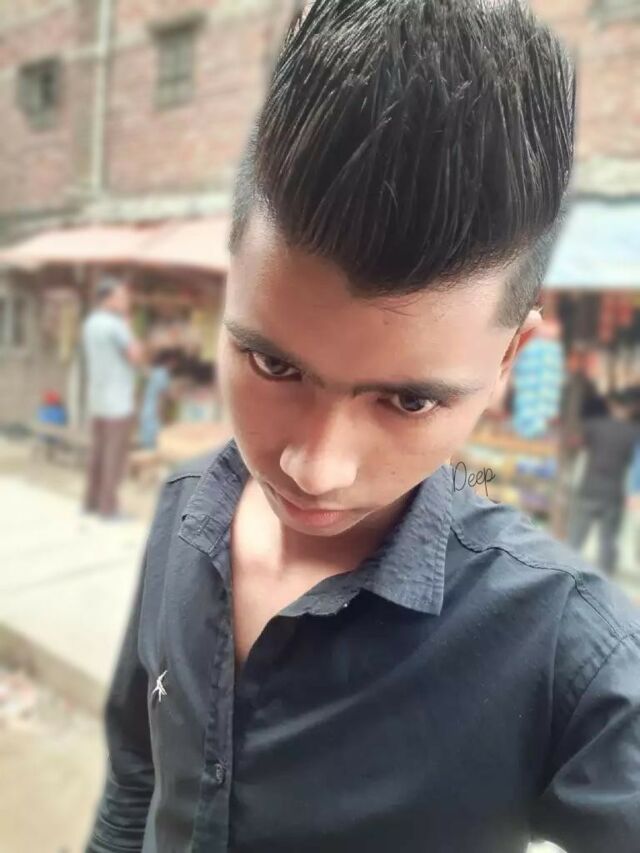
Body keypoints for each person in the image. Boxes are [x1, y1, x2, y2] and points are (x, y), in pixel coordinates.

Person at [87, 3, 640, 852]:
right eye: (273, 364)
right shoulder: (183, 507)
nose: (315, 468)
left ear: (510, 359)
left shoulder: (566, 646)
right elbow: (136, 775)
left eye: (408, 401)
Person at [82, 274, 144, 519]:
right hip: (118, 401)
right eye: (121, 297)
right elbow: (135, 356)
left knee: (97, 453)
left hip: (98, 399)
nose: (125, 301)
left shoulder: (91, 323)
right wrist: (128, 326)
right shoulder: (116, 326)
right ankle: (109, 508)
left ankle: (90, 502)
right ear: (108, 299)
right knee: (113, 456)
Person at [568, 390, 640, 575]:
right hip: (613, 493)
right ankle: (605, 578)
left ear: (612, 406)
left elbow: (575, 442)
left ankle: (565, 571)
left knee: (576, 537)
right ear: (632, 409)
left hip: (589, 488)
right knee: (608, 540)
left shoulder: (594, 426)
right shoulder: (634, 433)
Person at [137, 349, 180, 450]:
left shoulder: (155, 372)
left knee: (146, 433)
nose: (175, 365)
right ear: (170, 361)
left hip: (146, 406)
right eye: (174, 362)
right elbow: (162, 395)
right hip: (154, 408)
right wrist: (161, 411)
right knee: (153, 435)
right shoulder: (163, 374)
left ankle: (147, 449)